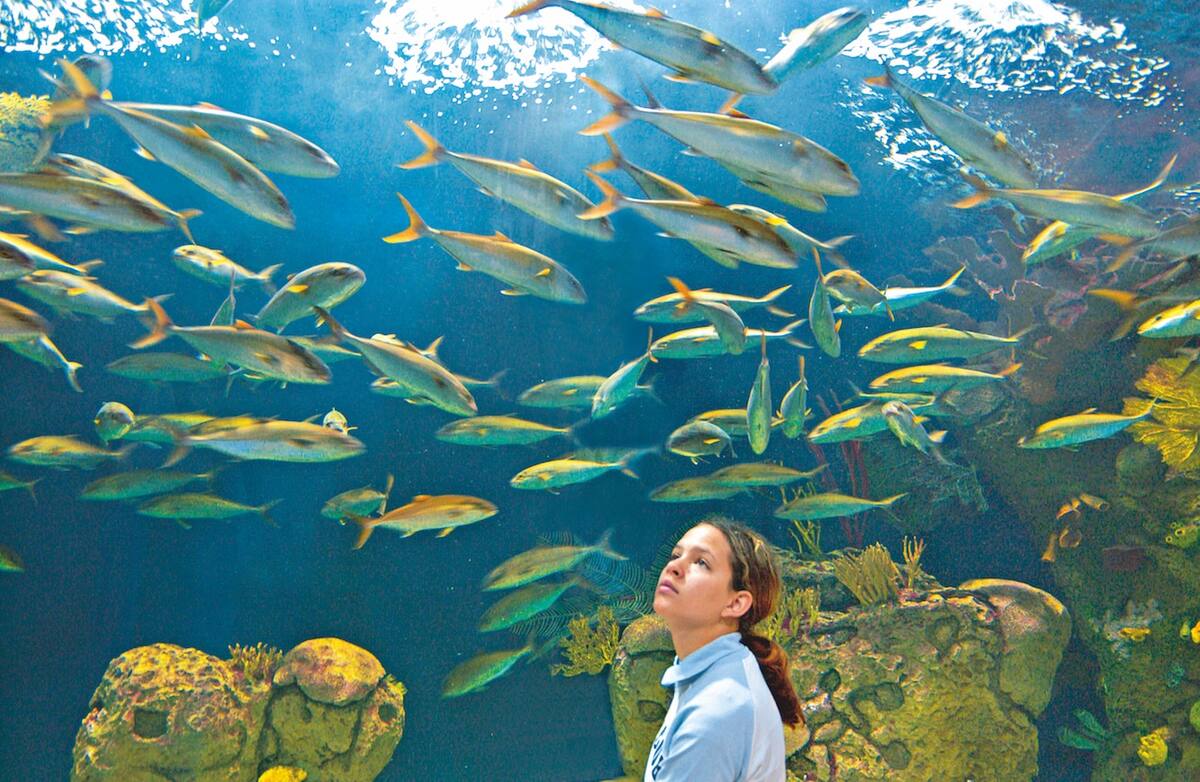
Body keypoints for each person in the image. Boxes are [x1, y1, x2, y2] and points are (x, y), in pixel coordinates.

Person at [645, 516, 801, 782]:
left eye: (701, 563)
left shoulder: (714, 710)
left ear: (736, 603)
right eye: (676, 555)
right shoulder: (715, 673)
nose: (674, 567)